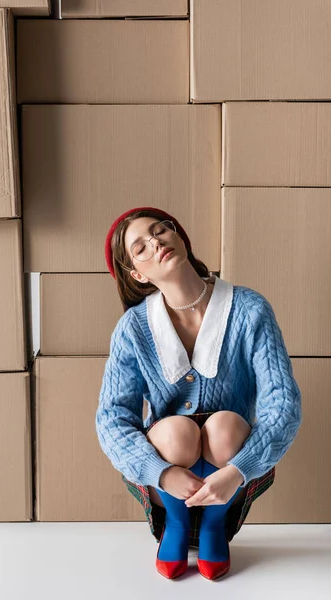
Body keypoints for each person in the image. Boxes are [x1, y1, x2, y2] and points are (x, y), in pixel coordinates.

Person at [95, 206, 302, 581]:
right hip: (168, 467)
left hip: (231, 461)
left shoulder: (249, 309)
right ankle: (175, 523)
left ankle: (214, 527)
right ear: (137, 274)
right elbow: (111, 419)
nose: (156, 242)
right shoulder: (133, 329)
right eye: (140, 247)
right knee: (176, 431)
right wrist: (160, 472)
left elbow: (282, 403)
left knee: (223, 426)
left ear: (179, 238)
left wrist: (240, 470)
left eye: (161, 230)